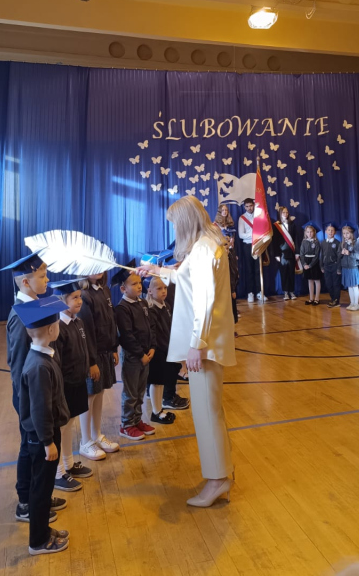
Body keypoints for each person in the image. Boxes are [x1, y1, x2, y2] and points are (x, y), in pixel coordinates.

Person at [144, 195, 236, 508]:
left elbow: (205, 301)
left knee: (207, 414)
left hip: (205, 345)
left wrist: (197, 344)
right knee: (210, 411)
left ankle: (217, 480)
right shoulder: (205, 245)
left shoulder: (204, 249)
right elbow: (186, 278)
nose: (174, 230)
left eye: (175, 225)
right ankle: (222, 472)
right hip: (206, 342)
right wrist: (156, 270)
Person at [2, 251, 65, 524]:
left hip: (40, 392)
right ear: (26, 282)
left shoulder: (35, 304)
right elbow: (18, 364)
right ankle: (26, 502)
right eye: (42, 275)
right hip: (29, 397)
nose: (47, 280)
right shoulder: (20, 315)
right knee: (30, 449)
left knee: (37, 451)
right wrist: (25, 402)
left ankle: (40, 496)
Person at [15, 296, 71, 556]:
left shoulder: (43, 355)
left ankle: (44, 532)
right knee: (41, 489)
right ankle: (38, 541)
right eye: (57, 323)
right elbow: (40, 409)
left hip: (45, 433)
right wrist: (48, 441)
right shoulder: (38, 366)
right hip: (41, 438)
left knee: (45, 486)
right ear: (51, 330)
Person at [49, 279, 93, 492]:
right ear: (61, 301)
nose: (79, 301)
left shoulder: (78, 322)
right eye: (74, 297)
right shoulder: (58, 328)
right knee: (62, 427)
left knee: (71, 424)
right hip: (65, 385)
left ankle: (68, 463)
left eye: (79, 297)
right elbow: (57, 361)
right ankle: (58, 473)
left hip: (78, 381)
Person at [77, 272, 120, 461]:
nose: (98, 268)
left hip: (104, 352)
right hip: (92, 356)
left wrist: (113, 348)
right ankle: (85, 441)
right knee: (90, 395)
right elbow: (86, 332)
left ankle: (96, 435)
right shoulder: (84, 296)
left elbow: (111, 321)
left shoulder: (104, 290)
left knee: (99, 392)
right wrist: (91, 362)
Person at [114, 268, 157, 440]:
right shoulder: (122, 308)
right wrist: (140, 354)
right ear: (123, 289)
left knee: (140, 391)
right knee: (131, 393)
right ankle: (126, 424)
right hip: (133, 357)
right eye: (134, 284)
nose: (139, 286)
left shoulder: (143, 303)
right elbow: (126, 336)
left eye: (140, 283)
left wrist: (152, 347)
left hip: (146, 355)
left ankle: (137, 420)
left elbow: (151, 326)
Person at [146, 275, 190, 423]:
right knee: (156, 382)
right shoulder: (151, 310)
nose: (164, 291)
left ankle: (159, 409)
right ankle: (156, 411)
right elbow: (154, 334)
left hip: (168, 350)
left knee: (162, 382)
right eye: (159, 288)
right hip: (158, 352)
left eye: (165, 288)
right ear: (150, 291)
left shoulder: (166, 306)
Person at [215, 205, 240, 326]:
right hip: (221, 252)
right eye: (223, 210)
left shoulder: (231, 225)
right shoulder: (215, 225)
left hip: (231, 252)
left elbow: (233, 241)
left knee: (234, 275)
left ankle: (234, 309)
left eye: (226, 210)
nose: (225, 212)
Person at [237, 197, 263, 303]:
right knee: (249, 270)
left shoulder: (258, 216)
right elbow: (241, 235)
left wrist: (255, 235)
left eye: (251, 206)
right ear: (244, 207)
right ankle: (250, 293)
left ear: (253, 205)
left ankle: (259, 292)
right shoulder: (242, 218)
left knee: (258, 269)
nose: (249, 208)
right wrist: (254, 235)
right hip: (247, 246)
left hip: (258, 245)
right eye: (247, 206)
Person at [274, 205, 300, 301]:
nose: (285, 214)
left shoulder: (292, 224)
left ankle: (292, 292)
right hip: (282, 254)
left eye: (287, 212)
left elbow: (296, 238)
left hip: (291, 252)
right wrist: (276, 254)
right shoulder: (276, 226)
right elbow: (275, 241)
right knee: (284, 273)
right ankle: (285, 292)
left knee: (291, 273)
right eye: (283, 212)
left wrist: (297, 253)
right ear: (280, 214)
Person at [320, 221, 342, 308]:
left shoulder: (337, 243)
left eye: (332, 230)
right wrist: (321, 266)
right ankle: (333, 299)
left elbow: (339, 256)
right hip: (326, 266)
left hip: (335, 266)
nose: (330, 232)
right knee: (328, 284)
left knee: (336, 284)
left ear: (335, 232)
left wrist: (338, 268)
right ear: (326, 231)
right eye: (329, 230)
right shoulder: (323, 243)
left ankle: (336, 300)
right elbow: (321, 255)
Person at [340, 222, 359, 311]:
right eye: (344, 233)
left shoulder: (355, 243)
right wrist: (341, 254)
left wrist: (349, 253)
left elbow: (358, 255)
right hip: (346, 267)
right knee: (349, 286)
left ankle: (356, 304)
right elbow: (340, 256)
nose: (345, 235)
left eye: (347, 233)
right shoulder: (343, 244)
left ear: (351, 233)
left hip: (353, 267)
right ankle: (352, 303)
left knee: (354, 286)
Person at [300, 222, 322, 305]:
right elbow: (302, 254)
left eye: (311, 232)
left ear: (314, 232)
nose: (309, 234)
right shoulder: (304, 242)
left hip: (314, 263)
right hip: (306, 262)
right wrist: (304, 264)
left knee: (316, 280)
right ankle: (311, 298)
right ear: (305, 233)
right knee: (310, 280)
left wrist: (310, 265)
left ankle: (317, 298)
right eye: (308, 232)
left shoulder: (316, 242)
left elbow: (317, 255)